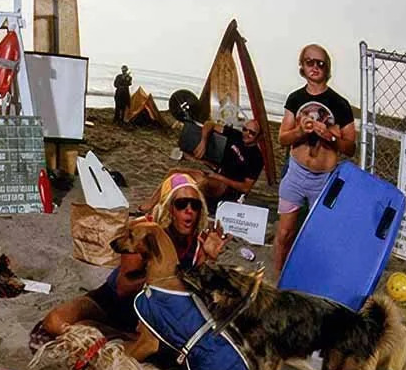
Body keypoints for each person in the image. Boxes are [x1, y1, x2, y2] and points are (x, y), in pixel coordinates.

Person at [36, 172, 227, 350]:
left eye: (195, 205)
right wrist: (164, 277)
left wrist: (208, 258)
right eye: (182, 204)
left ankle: (116, 337)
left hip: (149, 314)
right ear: (169, 208)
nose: (189, 211)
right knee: (55, 321)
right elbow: (123, 287)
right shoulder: (143, 232)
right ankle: (116, 337)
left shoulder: (199, 241)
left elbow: (192, 292)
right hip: (115, 301)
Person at [273, 44, 356, 274]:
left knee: (316, 238)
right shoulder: (295, 98)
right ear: (302, 66)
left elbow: (350, 148)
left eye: (321, 63)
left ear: (327, 68)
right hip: (295, 174)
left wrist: (329, 136)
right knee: (284, 234)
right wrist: (301, 131)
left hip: (323, 181)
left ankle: (306, 278)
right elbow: (282, 138)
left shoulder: (340, 104)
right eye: (310, 61)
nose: (315, 67)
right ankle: (279, 282)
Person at [178, 115, 265, 211]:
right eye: (245, 129)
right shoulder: (236, 135)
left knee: (202, 183)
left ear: (258, 137)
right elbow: (209, 124)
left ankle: (191, 208)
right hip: (216, 173)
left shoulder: (257, 158)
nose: (246, 134)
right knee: (180, 174)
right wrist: (203, 142)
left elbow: (245, 188)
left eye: (252, 133)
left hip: (229, 188)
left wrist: (220, 178)